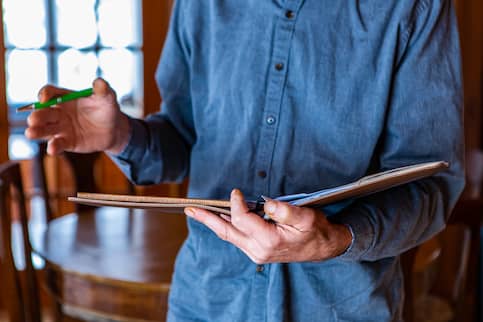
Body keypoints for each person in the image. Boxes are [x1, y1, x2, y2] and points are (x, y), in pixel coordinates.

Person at [26, 1, 464, 321]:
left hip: (339, 309)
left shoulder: (412, 7)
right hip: (204, 302)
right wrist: (119, 135)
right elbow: (183, 137)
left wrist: (337, 238)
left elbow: (430, 182)